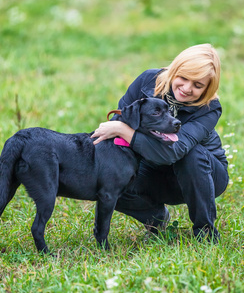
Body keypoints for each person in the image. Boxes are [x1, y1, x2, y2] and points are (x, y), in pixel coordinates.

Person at [91, 43, 229, 242]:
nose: (187, 88)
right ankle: (155, 219)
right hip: (152, 167)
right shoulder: (148, 81)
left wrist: (123, 130)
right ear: (174, 70)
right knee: (108, 181)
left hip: (203, 174)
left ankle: (205, 233)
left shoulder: (210, 108)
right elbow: (121, 120)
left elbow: (175, 151)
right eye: (183, 78)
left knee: (191, 153)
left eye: (198, 85)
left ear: (208, 89)